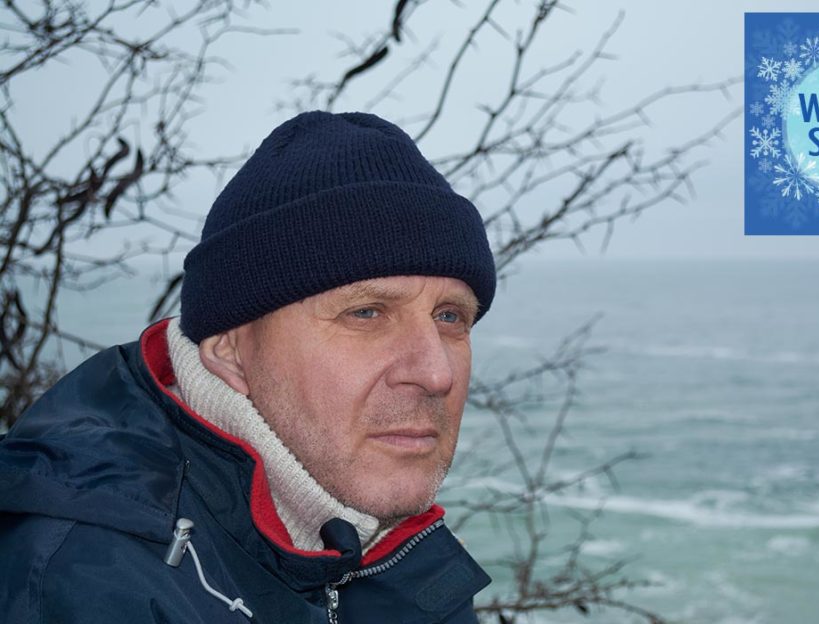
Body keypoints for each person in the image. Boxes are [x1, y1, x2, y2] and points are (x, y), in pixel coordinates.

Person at [0, 111, 497, 623]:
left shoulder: (386, 550)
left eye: (449, 316)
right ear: (229, 350)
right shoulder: (82, 582)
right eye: (365, 313)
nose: (437, 373)